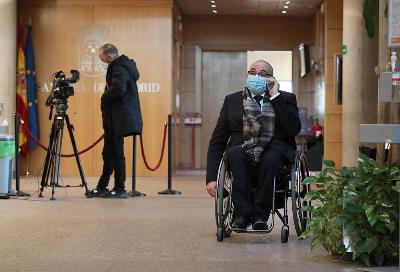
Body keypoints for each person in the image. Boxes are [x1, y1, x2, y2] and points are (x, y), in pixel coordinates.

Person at [206, 60, 301, 230]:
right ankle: (242, 214)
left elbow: (293, 129)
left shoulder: (285, 98)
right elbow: (217, 141)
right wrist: (212, 177)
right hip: (242, 151)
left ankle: (260, 215)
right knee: (235, 153)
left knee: (270, 156)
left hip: (274, 150)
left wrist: (275, 96)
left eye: (263, 74)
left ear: (271, 78)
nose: (256, 76)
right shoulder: (232, 100)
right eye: (252, 72)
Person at [90, 43, 143, 198]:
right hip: (115, 117)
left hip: (118, 118)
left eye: (102, 58)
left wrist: (104, 97)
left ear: (109, 56)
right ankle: (102, 186)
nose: (102, 61)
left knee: (116, 152)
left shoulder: (119, 68)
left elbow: (118, 89)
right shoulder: (122, 66)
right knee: (109, 152)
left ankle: (119, 188)